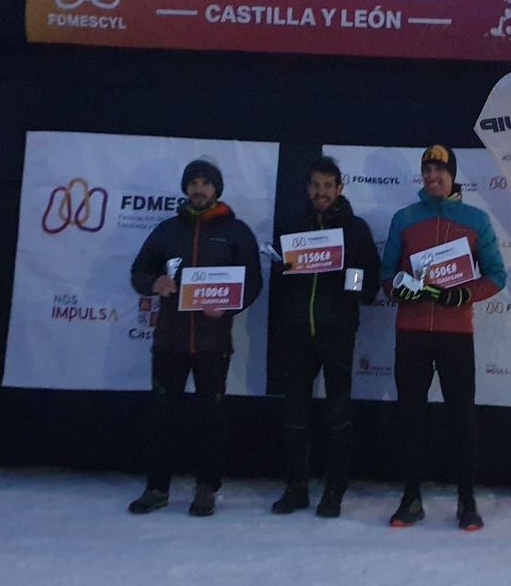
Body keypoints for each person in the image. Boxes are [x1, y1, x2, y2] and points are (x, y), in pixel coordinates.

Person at [127, 156, 262, 517]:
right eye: (193, 183)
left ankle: (207, 489)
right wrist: (154, 282)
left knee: (211, 419)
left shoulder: (236, 231)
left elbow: (252, 282)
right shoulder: (168, 230)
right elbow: (139, 271)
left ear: (217, 188)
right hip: (169, 341)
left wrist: (229, 306)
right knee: (161, 417)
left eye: (205, 182)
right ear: (186, 189)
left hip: (212, 343)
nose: (199, 188)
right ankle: (156, 488)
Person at [380, 144, 506, 531]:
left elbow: (496, 276)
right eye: (427, 170)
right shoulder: (404, 218)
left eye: (440, 170)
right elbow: (387, 276)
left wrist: (463, 293)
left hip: (455, 333)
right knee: (411, 417)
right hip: (412, 331)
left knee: (462, 418)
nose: (433, 177)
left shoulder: (476, 220)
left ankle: (466, 501)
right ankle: (411, 498)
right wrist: (398, 290)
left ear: (453, 176)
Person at [269, 156, 380, 518]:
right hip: (298, 333)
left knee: (338, 414)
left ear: (339, 188)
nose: (321, 192)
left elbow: (369, 280)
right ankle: (296, 487)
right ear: (307, 188)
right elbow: (279, 280)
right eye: (315, 185)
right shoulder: (292, 225)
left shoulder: (356, 228)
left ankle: (334, 490)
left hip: (337, 333)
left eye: (327, 185)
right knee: (294, 413)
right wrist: (287, 271)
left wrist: (348, 282)